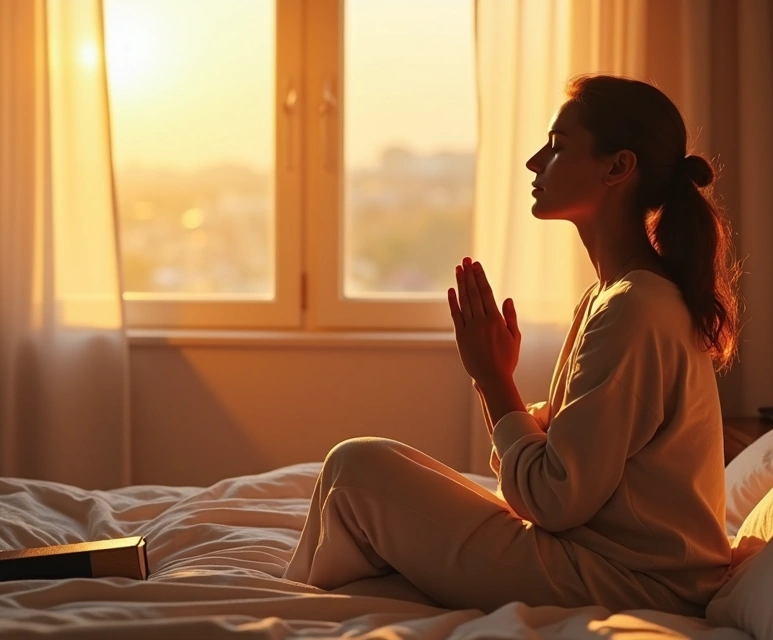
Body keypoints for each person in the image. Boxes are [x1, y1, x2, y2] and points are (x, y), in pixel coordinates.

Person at [282, 74, 740, 616]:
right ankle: (314, 598)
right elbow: (583, 444)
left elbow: (553, 499)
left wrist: (492, 379)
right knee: (357, 478)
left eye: (557, 147)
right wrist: (504, 387)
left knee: (356, 469)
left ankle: (296, 605)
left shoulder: (634, 307)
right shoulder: (618, 295)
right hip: (606, 561)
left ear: (618, 167)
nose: (533, 162)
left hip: (633, 583)